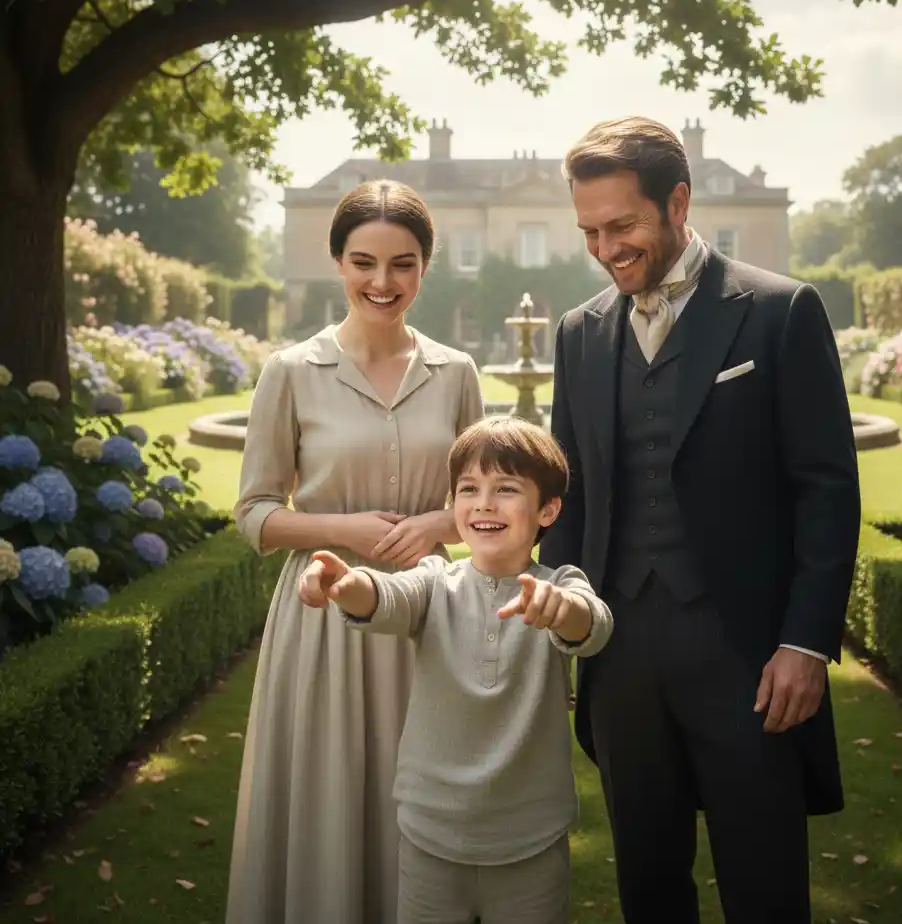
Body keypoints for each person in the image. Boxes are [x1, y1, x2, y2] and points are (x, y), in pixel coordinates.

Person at [539, 116, 861, 923]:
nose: (606, 248)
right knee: (648, 888)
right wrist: (566, 609)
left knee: (765, 888)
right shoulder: (579, 334)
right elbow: (569, 493)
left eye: (623, 225)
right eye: (589, 231)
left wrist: (805, 642)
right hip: (618, 659)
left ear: (677, 201)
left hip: (748, 657)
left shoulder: (781, 312)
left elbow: (826, 488)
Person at [226, 179, 485, 924]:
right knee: (331, 790)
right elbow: (254, 513)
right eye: (364, 262)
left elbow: (487, 502)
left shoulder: (457, 372)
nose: (383, 282)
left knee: (428, 794)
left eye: (402, 264)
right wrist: (345, 532)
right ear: (338, 262)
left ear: (424, 266)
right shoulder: (290, 372)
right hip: (324, 619)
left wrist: (438, 527)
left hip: (431, 620)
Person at [297, 416, 613, 924]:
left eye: (506, 489)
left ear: (548, 509)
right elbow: (385, 596)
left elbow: (592, 626)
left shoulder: (561, 583)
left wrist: (559, 609)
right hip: (430, 839)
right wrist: (345, 582)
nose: (484, 503)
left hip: (530, 843)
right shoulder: (433, 581)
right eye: (469, 489)